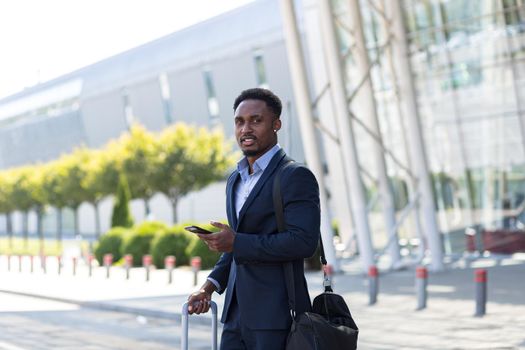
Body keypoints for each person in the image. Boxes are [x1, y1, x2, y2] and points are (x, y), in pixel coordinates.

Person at [187, 87, 320, 350]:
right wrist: (209, 287)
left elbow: (304, 242)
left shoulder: (295, 176)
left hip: (277, 316)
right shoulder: (235, 179)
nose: (245, 129)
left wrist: (236, 243)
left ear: (276, 124)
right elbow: (235, 244)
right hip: (235, 316)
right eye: (240, 122)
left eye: (256, 120)